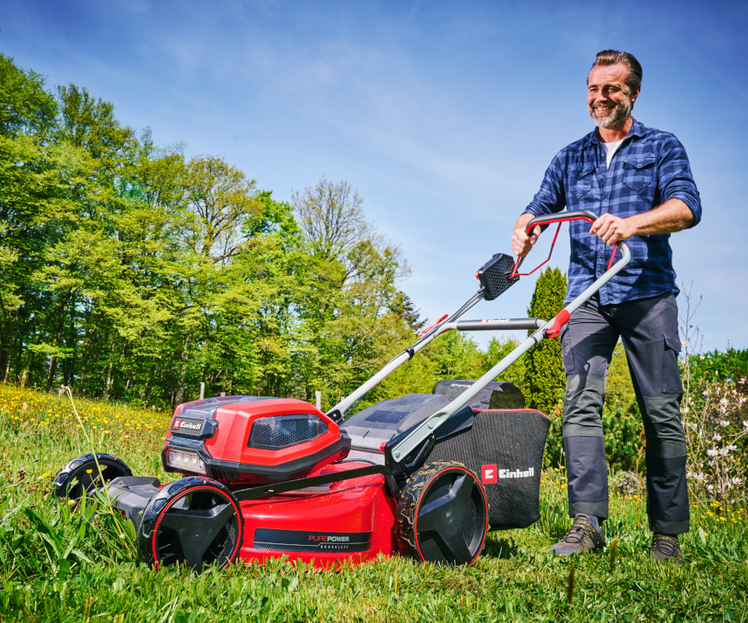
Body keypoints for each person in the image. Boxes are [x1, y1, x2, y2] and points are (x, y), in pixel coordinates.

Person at [511, 50, 701, 562]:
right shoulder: (571, 156)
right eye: (594, 89)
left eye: (611, 89)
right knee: (580, 406)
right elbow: (541, 202)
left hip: (647, 292)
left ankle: (667, 534)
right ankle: (587, 523)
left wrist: (632, 223)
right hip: (587, 297)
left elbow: (687, 207)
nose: (600, 98)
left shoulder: (662, 146)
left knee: (661, 411)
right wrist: (525, 225)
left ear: (632, 93)